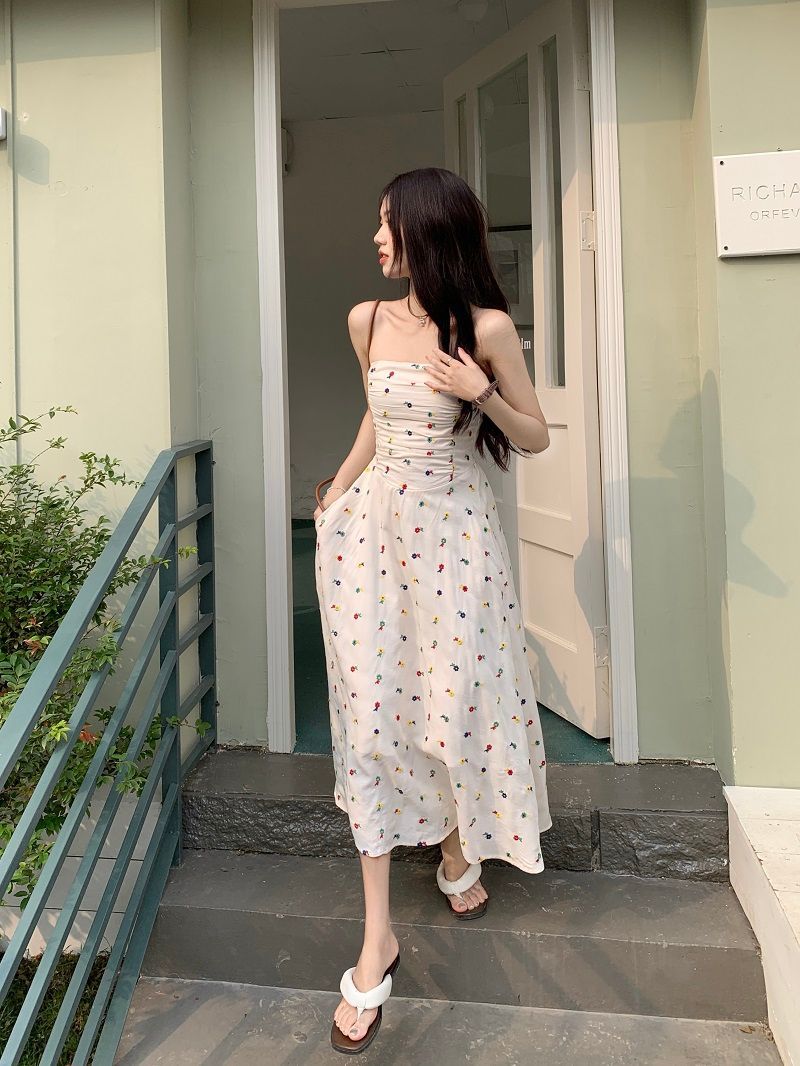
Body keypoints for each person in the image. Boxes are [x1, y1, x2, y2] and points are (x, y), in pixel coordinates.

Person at [313, 167, 552, 1054]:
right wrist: (336, 492)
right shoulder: (367, 320)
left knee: (450, 703)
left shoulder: (485, 329)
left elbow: (535, 435)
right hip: (374, 538)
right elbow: (376, 419)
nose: (378, 238)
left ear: (428, 230)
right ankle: (376, 938)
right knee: (374, 715)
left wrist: (478, 392)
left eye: (389, 224)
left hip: (455, 541)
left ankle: (456, 843)